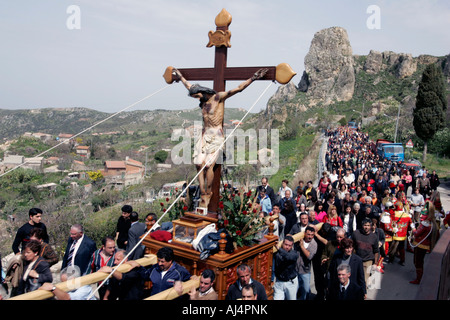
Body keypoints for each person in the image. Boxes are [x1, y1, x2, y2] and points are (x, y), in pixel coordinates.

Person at [173, 67, 268, 209]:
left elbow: (238, 89)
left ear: (203, 92)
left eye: (197, 96)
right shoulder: (203, 103)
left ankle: (208, 191)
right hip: (204, 135)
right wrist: (180, 77)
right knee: (199, 163)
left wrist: (253, 78)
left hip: (216, 135)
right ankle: (202, 190)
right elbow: (188, 85)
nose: (197, 99)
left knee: (209, 164)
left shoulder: (218, 98)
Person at [409, 202, 439, 284]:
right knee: (420, 261)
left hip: (420, 245)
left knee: (417, 262)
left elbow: (416, 234)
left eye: (423, 214)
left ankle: (419, 279)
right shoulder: (432, 223)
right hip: (425, 245)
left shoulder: (424, 224)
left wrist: (413, 228)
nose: (421, 216)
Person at [387, 201, 415, 266]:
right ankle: (402, 261)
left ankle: (391, 260)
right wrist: (414, 229)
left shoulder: (392, 214)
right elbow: (411, 224)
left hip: (395, 234)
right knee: (401, 248)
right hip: (403, 235)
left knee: (392, 248)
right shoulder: (407, 215)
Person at [352, 218, 379, 285]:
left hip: (368, 260)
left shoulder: (374, 237)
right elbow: (352, 246)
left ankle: (363, 294)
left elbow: (376, 251)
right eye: (365, 225)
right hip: (357, 259)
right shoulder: (356, 233)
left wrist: (375, 263)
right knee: (355, 278)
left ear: (370, 226)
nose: (366, 227)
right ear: (362, 225)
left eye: (368, 225)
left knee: (364, 280)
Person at [273, 236, 299, 300]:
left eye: (289, 245)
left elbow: (288, 257)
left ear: (292, 246)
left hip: (290, 283)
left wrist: (279, 249)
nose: (287, 247)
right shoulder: (277, 253)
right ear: (282, 243)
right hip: (279, 282)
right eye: (286, 244)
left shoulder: (294, 254)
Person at [295, 226, 317, 300]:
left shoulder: (314, 244)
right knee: (294, 290)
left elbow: (309, 256)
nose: (310, 237)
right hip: (296, 269)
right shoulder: (299, 240)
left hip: (305, 271)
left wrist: (302, 246)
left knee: (306, 290)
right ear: (304, 234)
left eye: (312, 235)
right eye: (308, 234)